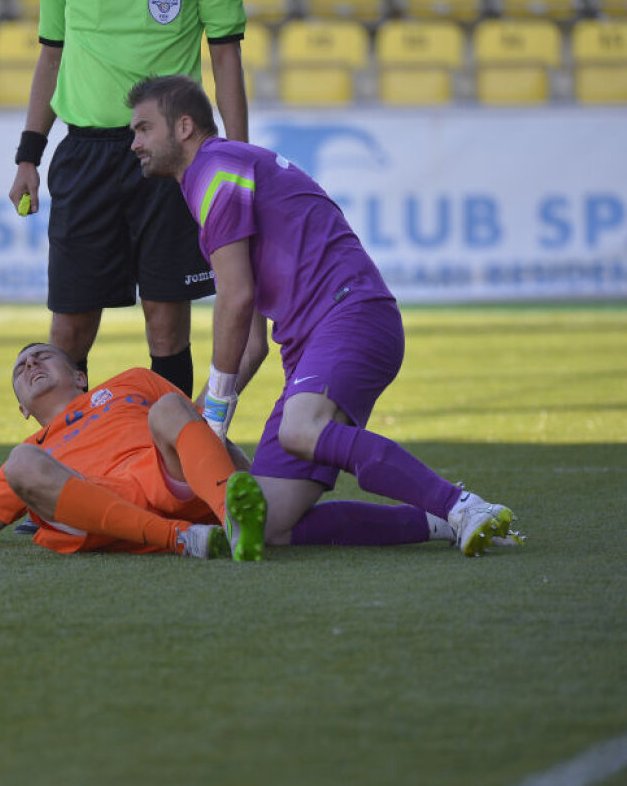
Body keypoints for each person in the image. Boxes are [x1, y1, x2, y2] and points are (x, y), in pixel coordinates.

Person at [125, 74, 521, 557]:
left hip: (349, 314)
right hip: (320, 336)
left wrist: (212, 419)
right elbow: (251, 342)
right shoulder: (215, 175)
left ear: (184, 126)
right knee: (266, 522)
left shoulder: (215, 168)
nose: (134, 144)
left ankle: (462, 505)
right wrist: (201, 424)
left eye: (144, 129)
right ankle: (437, 521)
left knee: (300, 428)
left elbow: (235, 298)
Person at [7, 0, 249, 400]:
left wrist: (240, 159)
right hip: (84, 157)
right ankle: (72, 455)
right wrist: (29, 155)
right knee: (69, 330)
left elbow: (225, 58)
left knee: (166, 323)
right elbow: (51, 56)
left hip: (170, 156)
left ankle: (167, 458)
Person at [0, 342, 269, 560]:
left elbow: (196, 424)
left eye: (42, 356)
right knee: (20, 463)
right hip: (97, 507)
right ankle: (179, 537)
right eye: (20, 369)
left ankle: (231, 518)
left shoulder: (132, 381)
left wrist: (237, 466)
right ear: (23, 409)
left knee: (170, 407)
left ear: (80, 377)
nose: (31, 365)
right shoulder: (35, 448)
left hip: (169, 477)